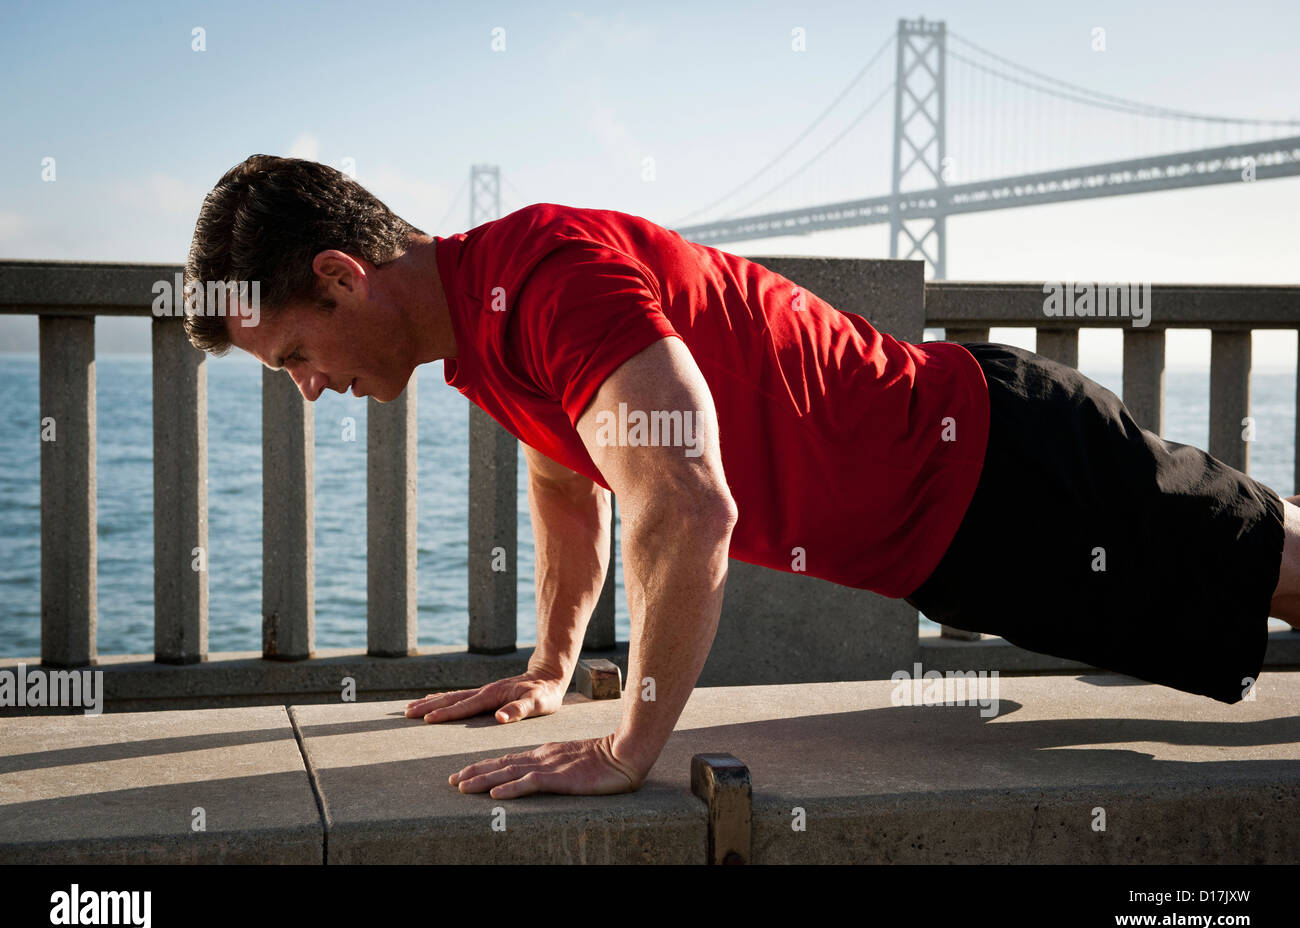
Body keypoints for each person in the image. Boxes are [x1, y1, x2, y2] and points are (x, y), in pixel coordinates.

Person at [184, 154, 1300, 800]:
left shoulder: (552, 278)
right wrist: (550, 669)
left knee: (1282, 571)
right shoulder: (479, 337)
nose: (307, 389)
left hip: (1017, 470)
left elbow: (685, 501)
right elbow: (569, 485)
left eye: (293, 357)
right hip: (949, 548)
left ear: (342, 276)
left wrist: (631, 746)